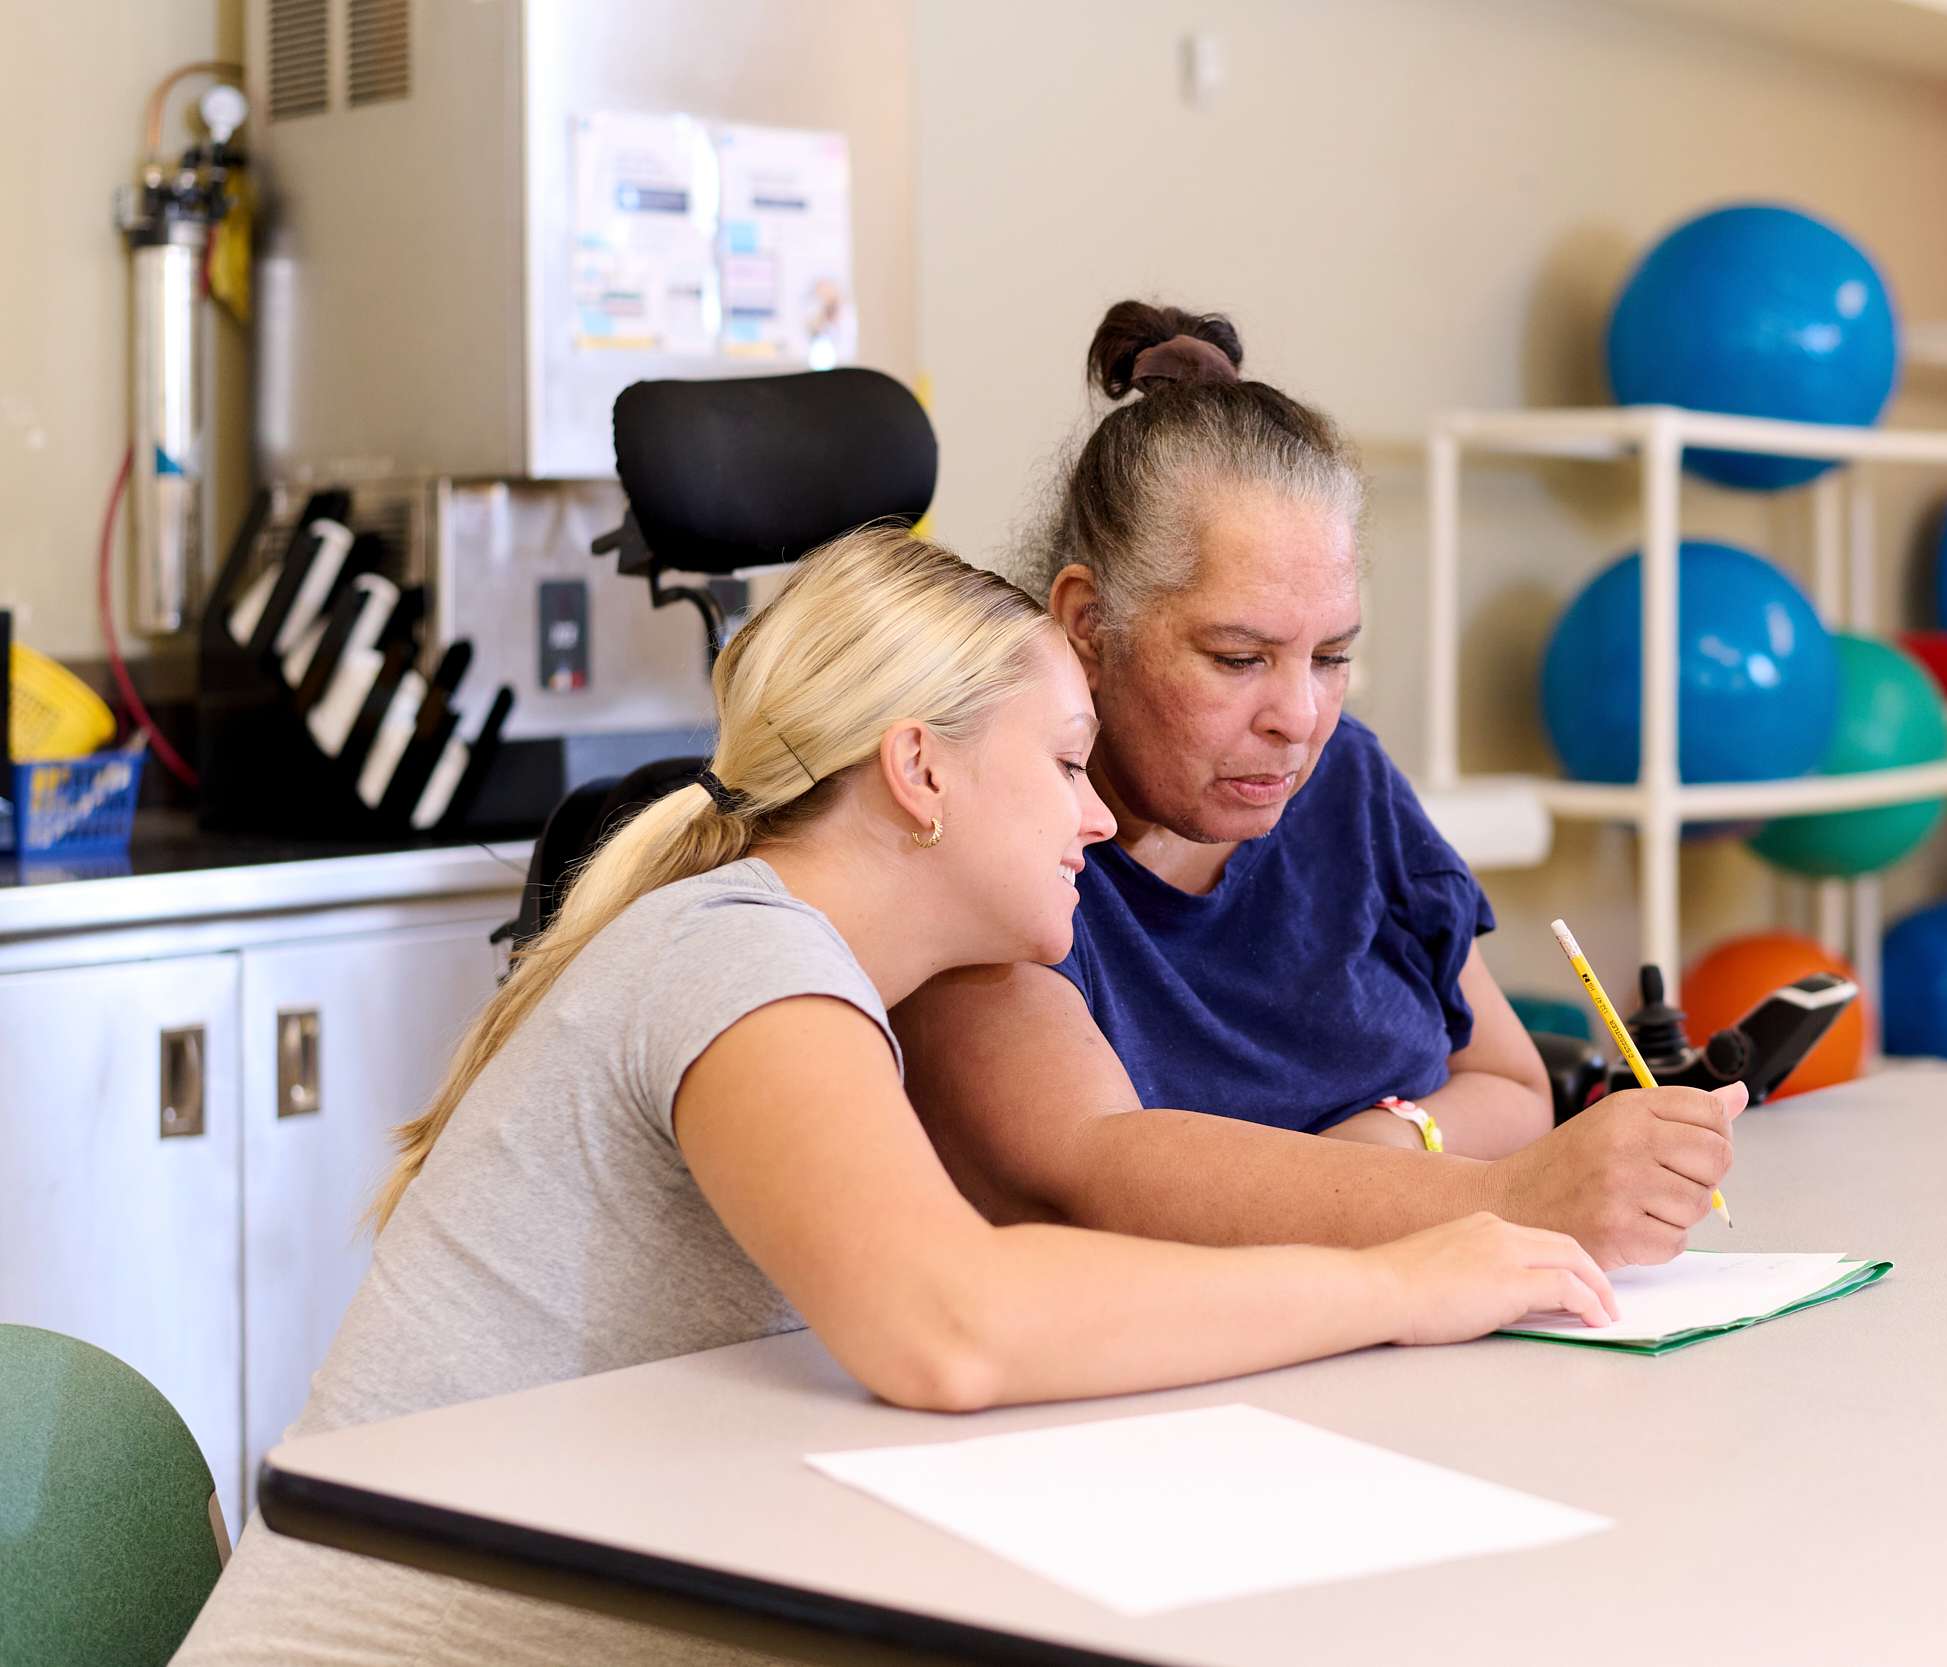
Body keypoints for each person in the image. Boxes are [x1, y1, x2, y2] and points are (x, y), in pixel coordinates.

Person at [175, 528, 1614, 1667]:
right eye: (1062, 762)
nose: (1098, 813)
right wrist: (1400, 1278)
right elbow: (950, 1322)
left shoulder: (808, 976)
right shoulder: (740, 957)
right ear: (920, 768)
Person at [897, 303, 1743, 1272]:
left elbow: (1512, 1082)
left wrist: (1392, 1138)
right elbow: (1093, 1173)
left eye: (1331, 655)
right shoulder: (998, 836)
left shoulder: (1345, 781)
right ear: (1089, 624)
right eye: (1238, 656)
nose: (1297, 716)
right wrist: (1505, 1190)